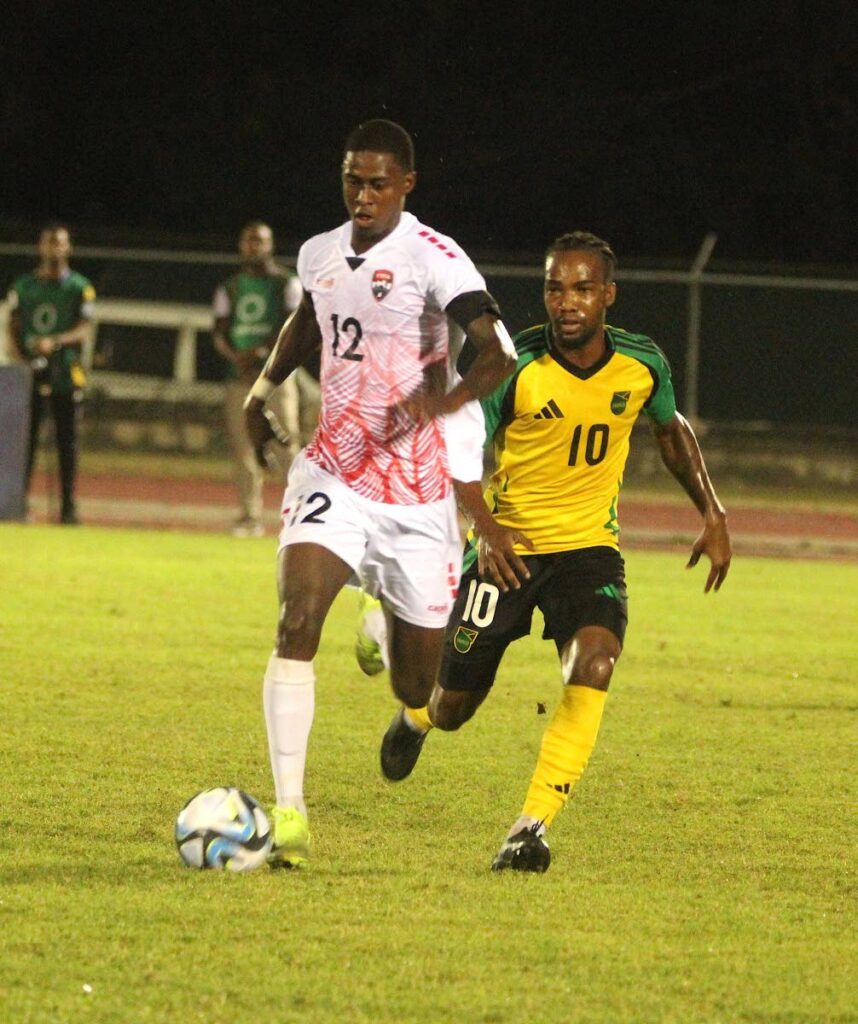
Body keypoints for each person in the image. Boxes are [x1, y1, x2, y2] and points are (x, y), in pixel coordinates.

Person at [370, 230, 732, 873]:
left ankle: (528, 827)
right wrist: (485, 526)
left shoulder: (643, 363)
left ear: (608, 296)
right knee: (455, 708)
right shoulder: (512, 365)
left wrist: (712, 510)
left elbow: (671, 433)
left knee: (594, 664)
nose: (568, 301)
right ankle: (419, 715)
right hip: (506, 553)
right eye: (556, 287)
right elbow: (455, 448)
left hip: (589, 551)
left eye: (583, 288)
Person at [242, 119, 517, 867]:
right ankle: (289, 813)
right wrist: (262, 388)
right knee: (296, 620)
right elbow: (310, 318)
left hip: (419, 499)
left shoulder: (435, 256)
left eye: (377, 183)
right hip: (335, 471)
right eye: (351, 181)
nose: (362, 196)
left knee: (418, 680)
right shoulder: (318, 253)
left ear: (406, 185)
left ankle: (403, 691)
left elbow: (497, 354)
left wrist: (442, 402)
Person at [212, 221, 317, 537]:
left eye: (260, 241)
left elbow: (293, 326)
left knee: (287, 440)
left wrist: (258, 353)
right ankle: (249, 516)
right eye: (249, 241)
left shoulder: (286, 282)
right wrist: (236, 357)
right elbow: (219, 330)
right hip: (239, 377)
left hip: (277, 377)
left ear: (270, 245)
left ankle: (301, 514)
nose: (253, 247)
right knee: (243, 447)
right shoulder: (229, 287)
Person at [6, 224, 95, 525]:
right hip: (30, 375)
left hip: (66, 373)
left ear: (68, 248)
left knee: (67, 441)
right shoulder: (23, 286)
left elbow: (84, 328)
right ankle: (18, 503)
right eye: (49, 242)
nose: (54, 248)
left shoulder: (80, 287)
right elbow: (13, 328)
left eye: (60, 243)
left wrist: (55, 342)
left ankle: (68, 507)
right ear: (40, 246)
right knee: (24, 442)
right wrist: (24, 360)